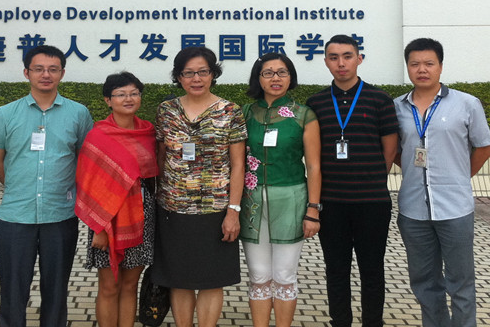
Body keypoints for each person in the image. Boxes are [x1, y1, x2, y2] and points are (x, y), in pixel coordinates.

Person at [0, 45, 93, 327]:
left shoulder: (78, 113)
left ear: (62, 73)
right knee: (12, 290)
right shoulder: (5, 114)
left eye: (53, 69)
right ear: (27, 73)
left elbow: (84, 159)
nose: (46, 75)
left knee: (56, 289)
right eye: (39, 69)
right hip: (16, 215)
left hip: (60, 215)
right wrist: (17, 185)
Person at [393, 38, 490, 327]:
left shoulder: (467, 104)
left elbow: (484, 148)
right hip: (413, 209)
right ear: (408, 67)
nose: (422, 70)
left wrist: (460, 176)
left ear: (440, 66)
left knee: (460, 281)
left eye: (429, 63)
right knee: (424, 282)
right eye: (415, 64)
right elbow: (395, 151)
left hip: (455, 209)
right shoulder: (397, 107)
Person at [305, 34, 399, 327]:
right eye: (334, 58)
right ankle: (340, 322)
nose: (341, 63)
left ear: (359, 59)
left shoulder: (379, 99)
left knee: (372, 269)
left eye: (347, 56)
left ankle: (373, 322)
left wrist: (371, 176)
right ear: (326, 62)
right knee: (336, 270)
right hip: (331, 203)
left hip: (372, 202)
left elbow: (390, 149)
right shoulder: (316, 103)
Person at [150, 46, 247, 327]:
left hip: (215, 210)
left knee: (211, 280)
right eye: (188, 73)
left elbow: (238, 165)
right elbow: (160, 158)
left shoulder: (230, 111)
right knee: (178, 279)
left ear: (213, 74)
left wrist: (233, 210)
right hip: (173, 210)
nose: (196, 79)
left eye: (203, 72)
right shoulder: (167, 111)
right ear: (178, 77)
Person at [239, 53, 321, 327]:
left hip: (291, 200)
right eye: (268, 73)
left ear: (290, 77)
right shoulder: (245, 113)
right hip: (251, 203)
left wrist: (313, 209)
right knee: (258, 275)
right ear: (258, 78)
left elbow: (314, 166)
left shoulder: (304, 115)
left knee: (285, 275)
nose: (276, 78)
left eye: (282, 72)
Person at [74, 72, 158, 327]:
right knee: (109, 285)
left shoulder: (148, 132)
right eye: (120, 94)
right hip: (107, 219)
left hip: (142, 214)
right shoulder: (98, 136)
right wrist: (99, 228)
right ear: (108, 100)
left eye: (134, 93)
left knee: (130, 285)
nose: (128, 99)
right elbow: (89, 184)